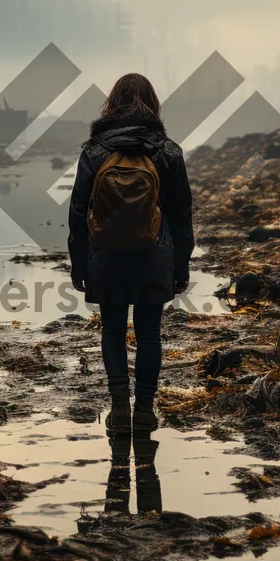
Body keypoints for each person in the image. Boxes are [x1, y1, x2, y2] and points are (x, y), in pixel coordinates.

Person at [68, 73, 193, 433]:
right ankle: (146, 411)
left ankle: (119, 409)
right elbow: (182, 214)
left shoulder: (94, 151)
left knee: (112, 330)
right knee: (149, 332)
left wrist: (79, 264)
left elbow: (78, 212)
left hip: (105, 258)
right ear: (153, 104)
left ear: (112, 104)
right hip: (155, 256)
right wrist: (181, 265)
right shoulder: (168, 151)